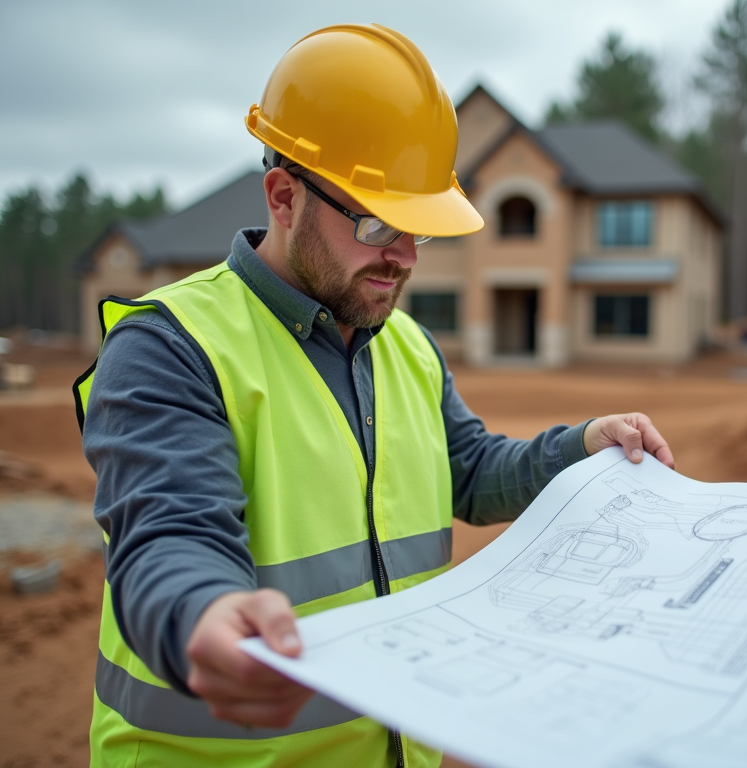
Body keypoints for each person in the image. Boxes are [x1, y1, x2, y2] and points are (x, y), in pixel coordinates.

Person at [74, 23, 675, 768]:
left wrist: (578, 449)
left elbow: (469, 469)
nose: (405, 258)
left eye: (419, 228)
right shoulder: (172, 346)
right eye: (378, 221)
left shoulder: (407, 345)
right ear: (283, 196)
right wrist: (205, 613)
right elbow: (167, 534)